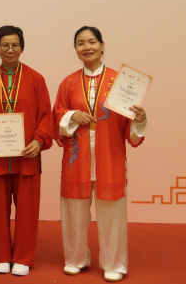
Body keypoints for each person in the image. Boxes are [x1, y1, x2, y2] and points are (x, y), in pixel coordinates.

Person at [53, 26, 147, 283]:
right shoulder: (68, 83)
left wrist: (140, 119)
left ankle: (114, 262)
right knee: (74, 212)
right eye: (81, 43)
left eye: (92, 42)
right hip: (77, 158)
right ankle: (75, 258)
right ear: (75, 49)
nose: (87, 47)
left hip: (109, 157)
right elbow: (57, 115)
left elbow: (130, 129)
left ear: (103, 46)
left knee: (113, 213)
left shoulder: (121, 82)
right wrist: (72, 115)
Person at [0, 25, 53, 277]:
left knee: (27, 210)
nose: (10, 50)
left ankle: (23, 257)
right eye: (4, 45)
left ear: (22, 47)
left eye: (15, 45)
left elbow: (45, 116)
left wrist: (39, 142)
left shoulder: (36, 79)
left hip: (27, 155)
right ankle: (0, 255)